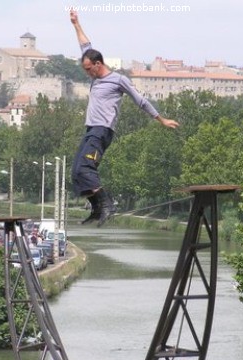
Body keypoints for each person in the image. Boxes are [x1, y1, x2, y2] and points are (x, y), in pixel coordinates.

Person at [69, 10, 180, 227]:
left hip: (102, 131)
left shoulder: (118, 80)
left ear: (98, 64)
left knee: (85, 168)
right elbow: (85, 45)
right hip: (91, 130)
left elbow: (140, 101)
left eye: (89, 70)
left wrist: (161, 119)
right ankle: (97, 207)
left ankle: (108, 205)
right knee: (75, 172)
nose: (87, 74)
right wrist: (76, 23)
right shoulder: (91, 60)